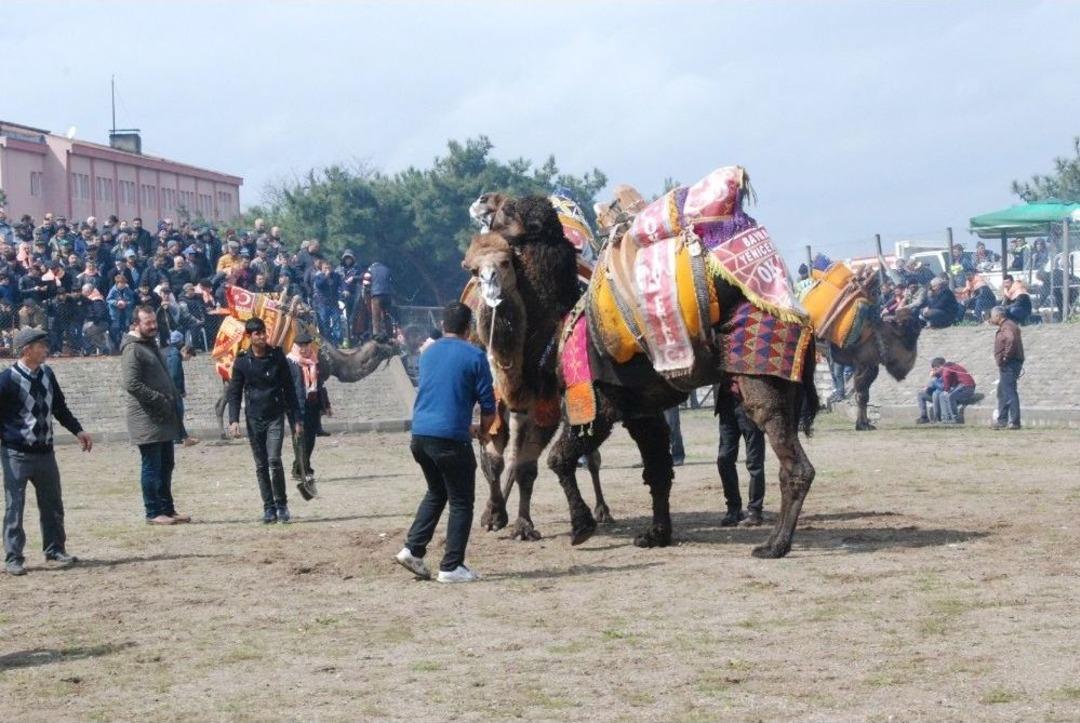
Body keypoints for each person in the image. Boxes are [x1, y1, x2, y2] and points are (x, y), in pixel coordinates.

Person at [394, 302, 495, 583]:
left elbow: (441, 393)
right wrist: (483, 431)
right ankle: (451, 566)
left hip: (420, 436)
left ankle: (412, 549)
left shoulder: (427, 353)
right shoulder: (475, 356)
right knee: (461, 501)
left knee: (437, 491)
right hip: (450, 439)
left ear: (442, 325)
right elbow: (488, 406)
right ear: (469, 328)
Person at [1, 328, 93, 575]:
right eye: (40, 346)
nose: (46, 349)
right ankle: (14, 558)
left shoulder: (48, 374)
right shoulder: (7, 379)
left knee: (52, 504)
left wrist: (78, 430)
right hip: (16, 454)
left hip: (45, 453)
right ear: (26, 350)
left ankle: (54, 550)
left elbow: (59, 407)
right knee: (14, 507)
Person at [227, 318, 302, 523]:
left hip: (275, 415)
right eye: (257, 333)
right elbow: (234, 392)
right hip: (254, 418)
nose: (262, 336)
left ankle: (282, 504)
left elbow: (289, 388)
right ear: (249, 337)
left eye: (263, 332)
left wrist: (296, 419)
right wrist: (233, 420)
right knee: (261, 465)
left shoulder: (277, 356)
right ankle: (268, 508)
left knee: (274, 460)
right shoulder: (242, 361)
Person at [122, 306, 188, 525]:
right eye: (147, 323)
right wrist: (158, 398)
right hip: (147, 418)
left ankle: (167, 509)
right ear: (136, 324)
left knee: (166, 464)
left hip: (163, 417)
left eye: (154, 322)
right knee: (152, 466)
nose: (153, 326)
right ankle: (153, 512)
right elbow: (131, 383)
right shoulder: (133, 349)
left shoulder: (149, 344)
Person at [716, 384, 766, 527]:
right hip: (727, 403)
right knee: (724, 459)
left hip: (751, 404)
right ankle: (734, 509)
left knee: (754, 462)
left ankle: (755, 511)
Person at [287, 329, 328, 499]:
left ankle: (299, 467)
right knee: (299, 438)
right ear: (296, 346)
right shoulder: (290, 362)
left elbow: (321, 384)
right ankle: (305, 470)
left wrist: (326, 404)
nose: (304, 349)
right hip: (296, 405)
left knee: (310, 439)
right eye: (301, 346)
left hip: (312, 404)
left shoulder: (314, 361)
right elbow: (287, 387)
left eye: (306, 345)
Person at [990, 306, 1024, 430]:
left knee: (1009, 392)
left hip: (1009, 363)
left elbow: (1011, 339)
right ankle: (1002, 420)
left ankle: (1014, 421)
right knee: (1002, 391)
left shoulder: (1007, 326)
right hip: (1010, 363)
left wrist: (1005, 357)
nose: (991, 319)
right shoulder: (1008, 325)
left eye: (992, 316)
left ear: (998, 316)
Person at [164, 331, 199, 447]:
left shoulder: (169, 353)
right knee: (178, 412)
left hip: (171, 390)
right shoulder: (174, 356)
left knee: (176, 413)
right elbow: (174, 375)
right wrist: (178, 391)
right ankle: (182, 438)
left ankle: (179, 437)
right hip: (173, 391)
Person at [937, 357, 976, 425]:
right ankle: (946, 418)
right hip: (964, 386)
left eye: (935, 368)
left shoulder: (947, 368)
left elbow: (946, 376)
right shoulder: (952, 366)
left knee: (951, 397)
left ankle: (956, 419)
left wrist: (946, 390)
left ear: (939, 366)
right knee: (943, 396)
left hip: (967, 387)